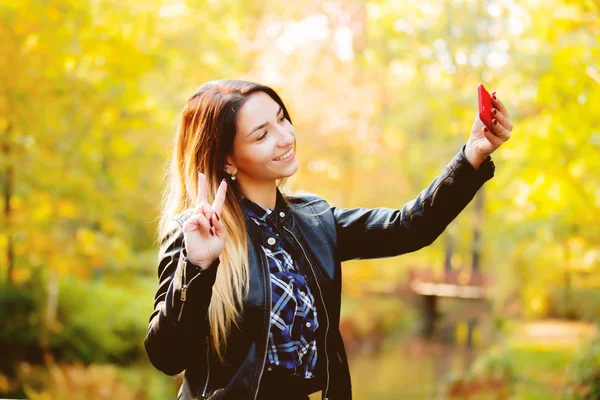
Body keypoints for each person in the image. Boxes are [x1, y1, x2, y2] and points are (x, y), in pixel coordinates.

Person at [144, 79, 512, 400]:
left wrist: (472, 155)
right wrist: (197, 267)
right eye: (262, 134)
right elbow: (168, 357)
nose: (285, 137)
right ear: (227, 161)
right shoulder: (195, 232)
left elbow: (408, 227)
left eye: (282, 118)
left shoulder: (315, 220)